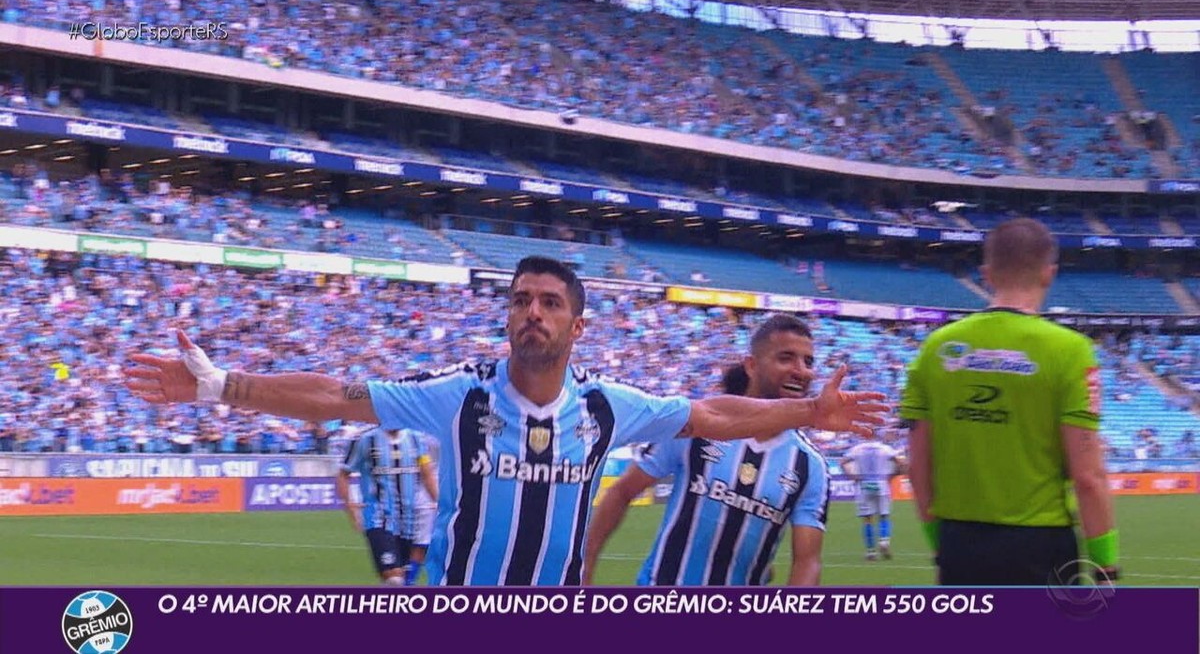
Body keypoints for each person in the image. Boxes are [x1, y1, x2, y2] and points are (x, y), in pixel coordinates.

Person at [126, 256, 888, 586]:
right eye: (522, 299)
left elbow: (709, 411)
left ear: (577, 325)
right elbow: (337, 395)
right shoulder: (459, 392)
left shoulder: (604, 406)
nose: (533, 312)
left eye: (551, 302)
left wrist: (808, 410)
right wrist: (223, 386)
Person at [900, 218, 1119, 586]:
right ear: (1049, 274)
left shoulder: (935, 348)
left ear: (987, 273)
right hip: (1040, 546)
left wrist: (940, 543)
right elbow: (1088, 477)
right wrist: (1105, 564)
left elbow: (918, 467)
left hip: (960, 545)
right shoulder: (1071, 351)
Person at [584, 315, 830, 586]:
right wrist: (584, 569)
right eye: (786, 358)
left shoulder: (810, 466)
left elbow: (807, 560)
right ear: (751, 365)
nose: (801, 370)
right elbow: (622, 491)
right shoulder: (697, 425)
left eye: (808, 362)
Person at [335, 425, 437, 585]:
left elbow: (427, 473)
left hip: (408, 520)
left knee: (398, 580)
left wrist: (439, 503)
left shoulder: (416, 438)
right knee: (394, 578)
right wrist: (351, 508)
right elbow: (343, 474)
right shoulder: (363, 439)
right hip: (378, 518)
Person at [839, 436, 905, 561]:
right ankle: (884, 541)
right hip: (881, 483)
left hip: (864, 484)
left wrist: (851, 475)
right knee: (884, 515)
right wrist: (894, 474)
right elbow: (900, 462)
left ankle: (870, 551)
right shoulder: (885, 448)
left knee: (867, 519)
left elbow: (842, 462)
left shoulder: (857, 449)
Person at [404, 428, 439, 585]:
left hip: (432, 494)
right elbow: (425, 472)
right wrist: (438, 501)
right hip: (425, 498)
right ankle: (406, 584)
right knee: (420, 546)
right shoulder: (421, 435)